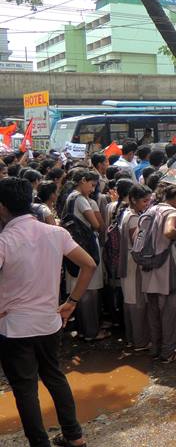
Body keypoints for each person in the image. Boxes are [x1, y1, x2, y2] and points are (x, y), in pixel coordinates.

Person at [0, 177, 97, 447]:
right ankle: (74, 436)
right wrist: (72, 301)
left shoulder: (5, 241)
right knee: (54, 377)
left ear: (2, 207)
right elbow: (89, 265)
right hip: (49, 322)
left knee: (25, 389)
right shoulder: (55, 233)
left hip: (15, 327)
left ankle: (39, 443)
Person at [140, 184, 176, 363]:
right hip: (166, 267)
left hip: (147, 266)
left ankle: (156, 348)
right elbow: (169, 231)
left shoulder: (151, 209)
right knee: (171, 312)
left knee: (153, 312)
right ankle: (168, 352)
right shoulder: (172, 212)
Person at [63, 169, 109, 342]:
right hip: (86, 247)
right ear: (83, 180)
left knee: (79, 291)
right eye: (91, 184)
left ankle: (83, 330)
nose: (92, 189)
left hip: (75, 247)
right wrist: (94, 207)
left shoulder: (70, 197)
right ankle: (91, 332)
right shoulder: (80, 199)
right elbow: (97, 225)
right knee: (89, 292)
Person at [120, 184, 152, 352]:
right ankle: (140, 341)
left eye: (149, 201)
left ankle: (133, 339)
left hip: (128, 262)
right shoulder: (133, 218)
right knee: (137, 302)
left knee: (131, 301)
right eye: (144, 201)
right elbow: (137, 243)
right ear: (133, 200)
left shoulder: (128, 213)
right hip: (134, 264)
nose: (147, 204)